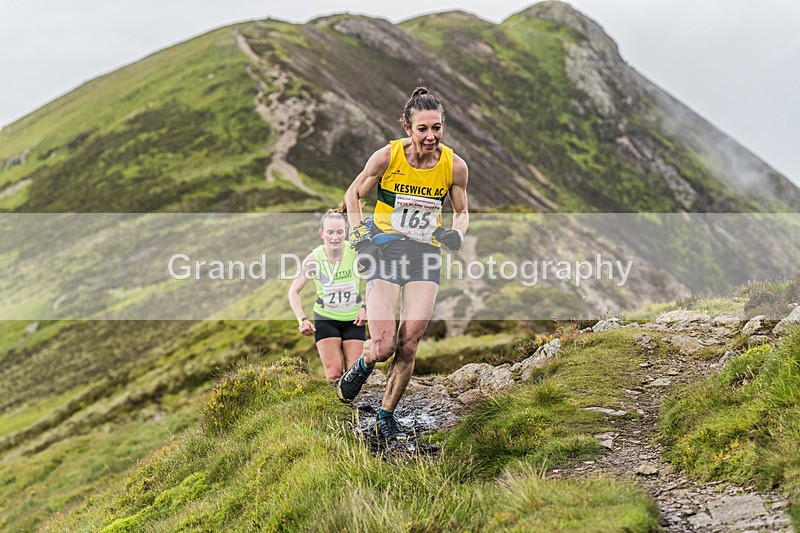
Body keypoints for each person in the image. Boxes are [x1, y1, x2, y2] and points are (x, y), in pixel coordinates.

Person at [338, 87, 469, 441]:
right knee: (383, 347)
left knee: (409, 344)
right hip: (384, 252)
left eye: (437, 128)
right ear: (408, 129)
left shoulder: (454, 166)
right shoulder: (387, 156)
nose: (431, 137)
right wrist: (359, 236)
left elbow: (461, 211)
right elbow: (353, 194)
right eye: (423, 129)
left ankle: (385, 414)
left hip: (424, 256)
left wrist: (456, 233)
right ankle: (363, 364)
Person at [288, 211, 367, 382]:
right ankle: (338, 409)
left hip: (354, 319)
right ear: (322, 233)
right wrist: (302, 320)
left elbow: (375, 279)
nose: (335, 237)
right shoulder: (314, 259)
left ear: (346, 232)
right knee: (334, 374)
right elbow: (293, 291)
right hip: (326, 319)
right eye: (330, 232)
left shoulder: (355, 253)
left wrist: (365, 307)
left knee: (355, 375)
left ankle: (357, 408)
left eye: (339, 232)